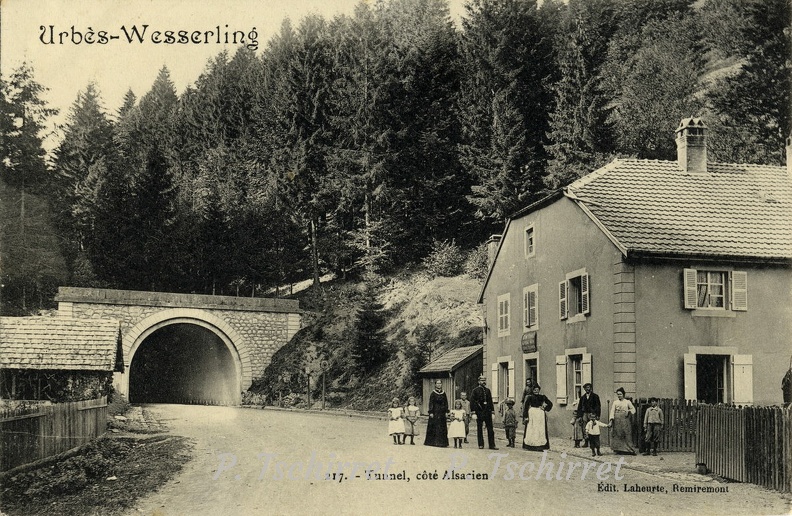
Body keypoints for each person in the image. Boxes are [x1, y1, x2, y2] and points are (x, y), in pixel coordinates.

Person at [470, 375, 498, 450]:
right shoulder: (475, 390)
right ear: (479, 381)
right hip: (479, 411)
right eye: (482, 380)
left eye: (484, 380)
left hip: (487, 412)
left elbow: (490, 402)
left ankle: (492, 445)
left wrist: (492, 412)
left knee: (490, 429)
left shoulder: (488, 390)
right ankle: (481, 444)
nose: (483, 382)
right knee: (479, 428)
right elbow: (472, 402)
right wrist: (473, 412)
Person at [522, 384, 553, 451]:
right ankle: (530, 446)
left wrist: (545, 408)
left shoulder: (542, 397)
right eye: (535, 390)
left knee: (540, 429)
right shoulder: (529, 397)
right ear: (532, 390)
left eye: (537, 390)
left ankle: (540, 446)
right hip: (532, 414)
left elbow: (550, 404)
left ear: (539, 390)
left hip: (540, 414)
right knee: (532, 428)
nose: (536, 391)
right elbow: (526, 407)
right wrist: (526, 416)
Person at [609, 387, 637, 455]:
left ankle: (629, 450)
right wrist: (611, 420)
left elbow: (633, 410)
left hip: (625, 419)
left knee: (626, 434)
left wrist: (628, 411)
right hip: (617, 420)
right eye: (618, 394)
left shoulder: (627, 402)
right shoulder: (615, 402)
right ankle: (618, 449)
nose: (619, 396)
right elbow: (612, 411)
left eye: (620, 394)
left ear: (623, 394)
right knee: (618, 434)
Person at [424, 380, 449, 447]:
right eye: (437, 383)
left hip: (442, 413)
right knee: (434, 426)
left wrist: (446, 411)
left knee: (442, 427)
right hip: (435, 412)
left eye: (440, 383)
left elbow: (446, 403)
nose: (439, 385)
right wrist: (431, 412)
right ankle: (433, 442)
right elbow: (431, 403)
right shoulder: (433, 393)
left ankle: (442, 443)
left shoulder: (443, 393)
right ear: (435, 385)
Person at [576, 383, 601, 448]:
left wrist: (597, 415)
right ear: (584, 389)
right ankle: (586, 442)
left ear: (591, 388)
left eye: (588, 387)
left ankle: (593, 442)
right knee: (585, 428)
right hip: (585, 414)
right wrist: (579, 416)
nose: (587, 389)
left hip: (592, 414)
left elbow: (598, 406)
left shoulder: (595, 396)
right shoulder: (582, 397)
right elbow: (579, 407)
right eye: (586, 388)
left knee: (593, 427)